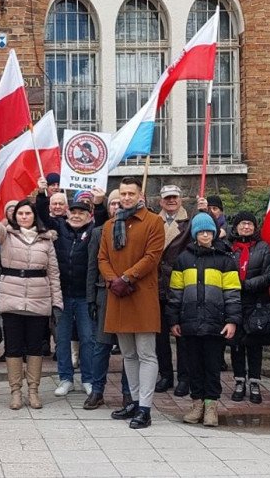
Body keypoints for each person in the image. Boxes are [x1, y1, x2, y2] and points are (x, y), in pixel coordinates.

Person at [0, 196, 62, 411]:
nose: (24, 217)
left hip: (38, 299)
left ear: (34, 216)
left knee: (35, 348)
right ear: (14, 217)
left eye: (28, 213)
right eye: (20, 213)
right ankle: (15, 391)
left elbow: (53, 273)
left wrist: (57, 303)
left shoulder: (46, 240)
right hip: (12, 299)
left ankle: (33, 391)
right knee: (13, 347)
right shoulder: (6, 235)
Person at [97, 177, 165, 428]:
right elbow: (102, 258)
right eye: (122, 194)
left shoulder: (153, 221)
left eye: (130, 194)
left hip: (141, 294)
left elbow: (152, 257)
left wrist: (127, 277)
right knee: (128, 353)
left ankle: (145, 408)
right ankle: (134, 401)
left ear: (140, 196)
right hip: (118, 293)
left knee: (146, 353)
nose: (125, 198)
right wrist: (113, 280)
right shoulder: (109, 225)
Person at [168, 212, 241, 427]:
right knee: (193, 366)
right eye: (201, 232)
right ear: (194, 234)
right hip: (189, 324)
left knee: (212, 366)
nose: (205, 235)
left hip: (215, 324)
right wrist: (173, 320)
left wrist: (232, 320)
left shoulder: (224, 260)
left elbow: (232, 293)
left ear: (215, 233)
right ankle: (196, 403)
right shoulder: (183, 260)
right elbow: (175, 293)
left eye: (209, 231)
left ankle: (211, 405)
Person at [43, 196, 101, 399]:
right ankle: (65, 378)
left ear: (88, 216)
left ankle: (88, 379)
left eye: (81, 213)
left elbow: (103, 217)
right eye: (74, 212)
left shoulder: (95, 231)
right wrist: (43, 195)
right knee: (62, 339)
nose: (76, 216)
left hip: (86, 295)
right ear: (68, 213)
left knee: (88, 338)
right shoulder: (58, 228)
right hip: (63, 295)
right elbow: (42, 213)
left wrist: (100, 201)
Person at [84, 190, 127, 410]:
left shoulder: (134, 231)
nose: (117, 207)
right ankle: (97, 390)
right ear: (108, 207)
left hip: (129, 295)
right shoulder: (99, 232)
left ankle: (128, 393)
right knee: (101, 346)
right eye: (113, 204)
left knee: (129, 348)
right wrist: (91, 298)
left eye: (121, 203)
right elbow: (92, 266)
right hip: (104, 294)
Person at [226, 211, 270, 405]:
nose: (246, 227)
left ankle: (254, 382)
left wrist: (246, 285)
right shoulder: (229, 248)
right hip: (235, 302)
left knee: (254, 345)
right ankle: (239, 381)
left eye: (250, 224)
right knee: (236, 344)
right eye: (242, 224)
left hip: (256, 302)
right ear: (236, 227)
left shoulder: (263, 248)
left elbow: (269, 276)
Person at [155, 184, 189, 395]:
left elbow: (209, 234)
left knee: (181, 335)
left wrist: (206, 212)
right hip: (156, 286)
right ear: (160, 201)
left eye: (174, 197)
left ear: (181, 199)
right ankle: (165, 375)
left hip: (180, 285)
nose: (171, 201)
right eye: (167, 198)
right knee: (159, 336)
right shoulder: (153, 221)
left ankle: (184, 378)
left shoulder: (190, 222)